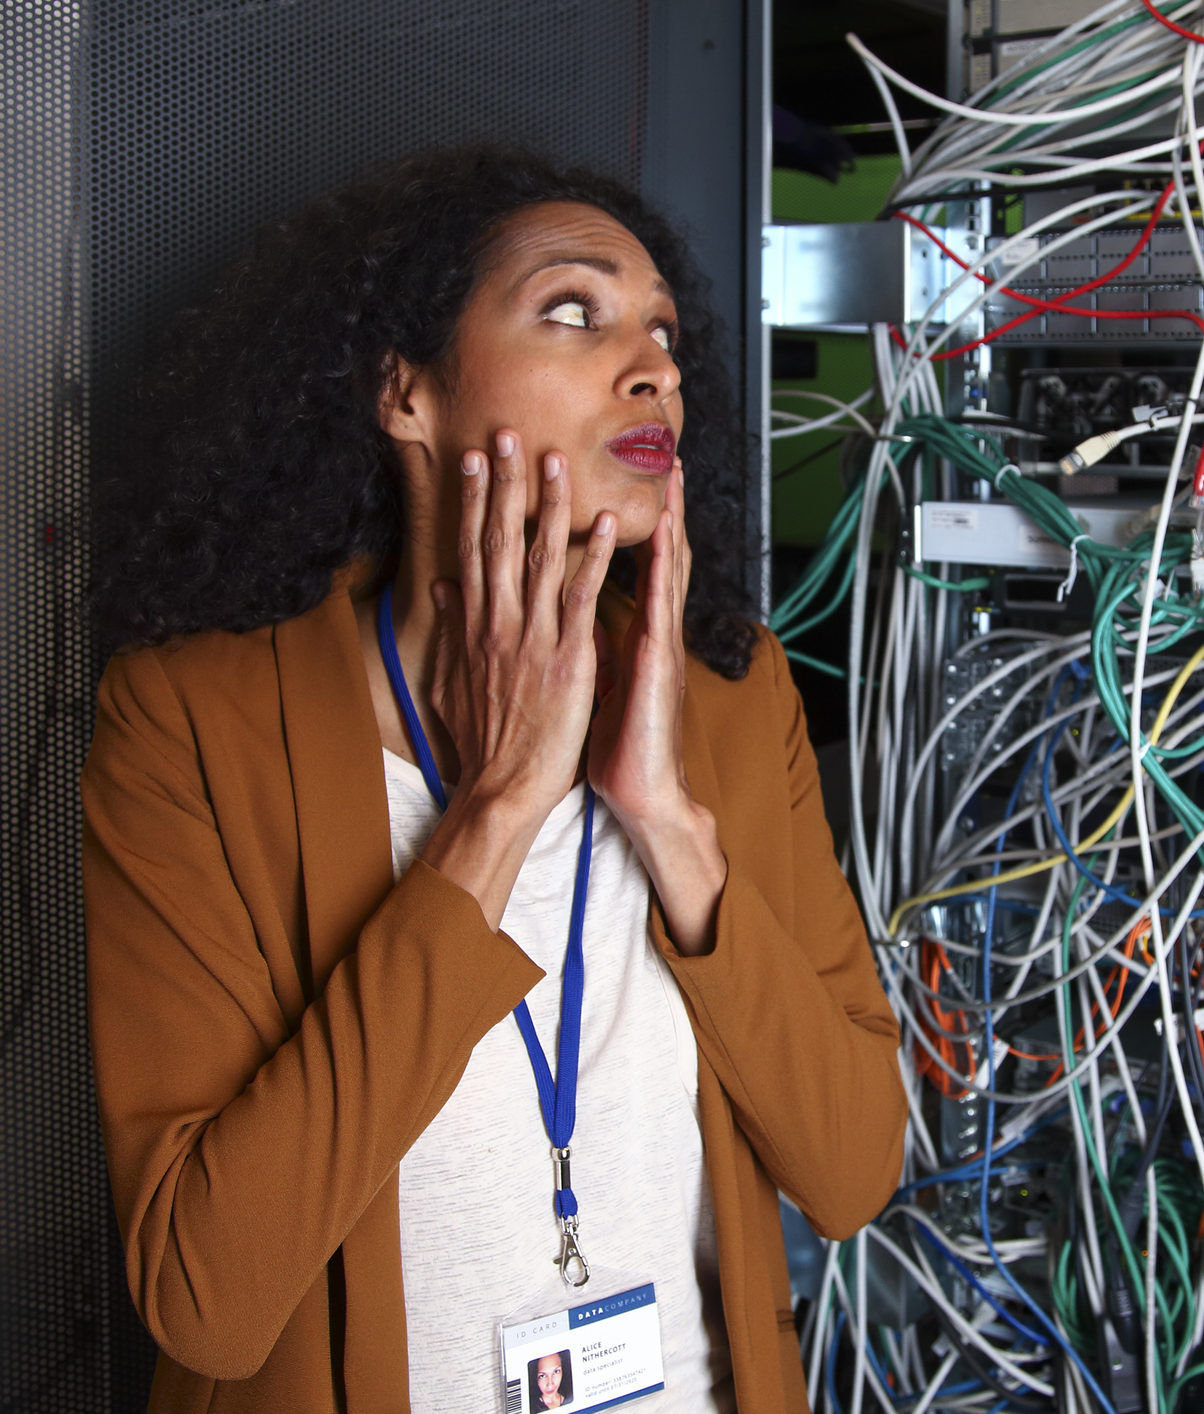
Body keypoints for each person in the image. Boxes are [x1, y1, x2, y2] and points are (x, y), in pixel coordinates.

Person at [82, 146, 906, 1414]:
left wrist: (673, 832)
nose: (655, 368)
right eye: (573, 311)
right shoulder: (192, 727)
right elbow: (208, 1296)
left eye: (662, 330)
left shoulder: (734, 701)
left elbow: (853, 1171)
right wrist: (498, 814)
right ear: (405, 393)